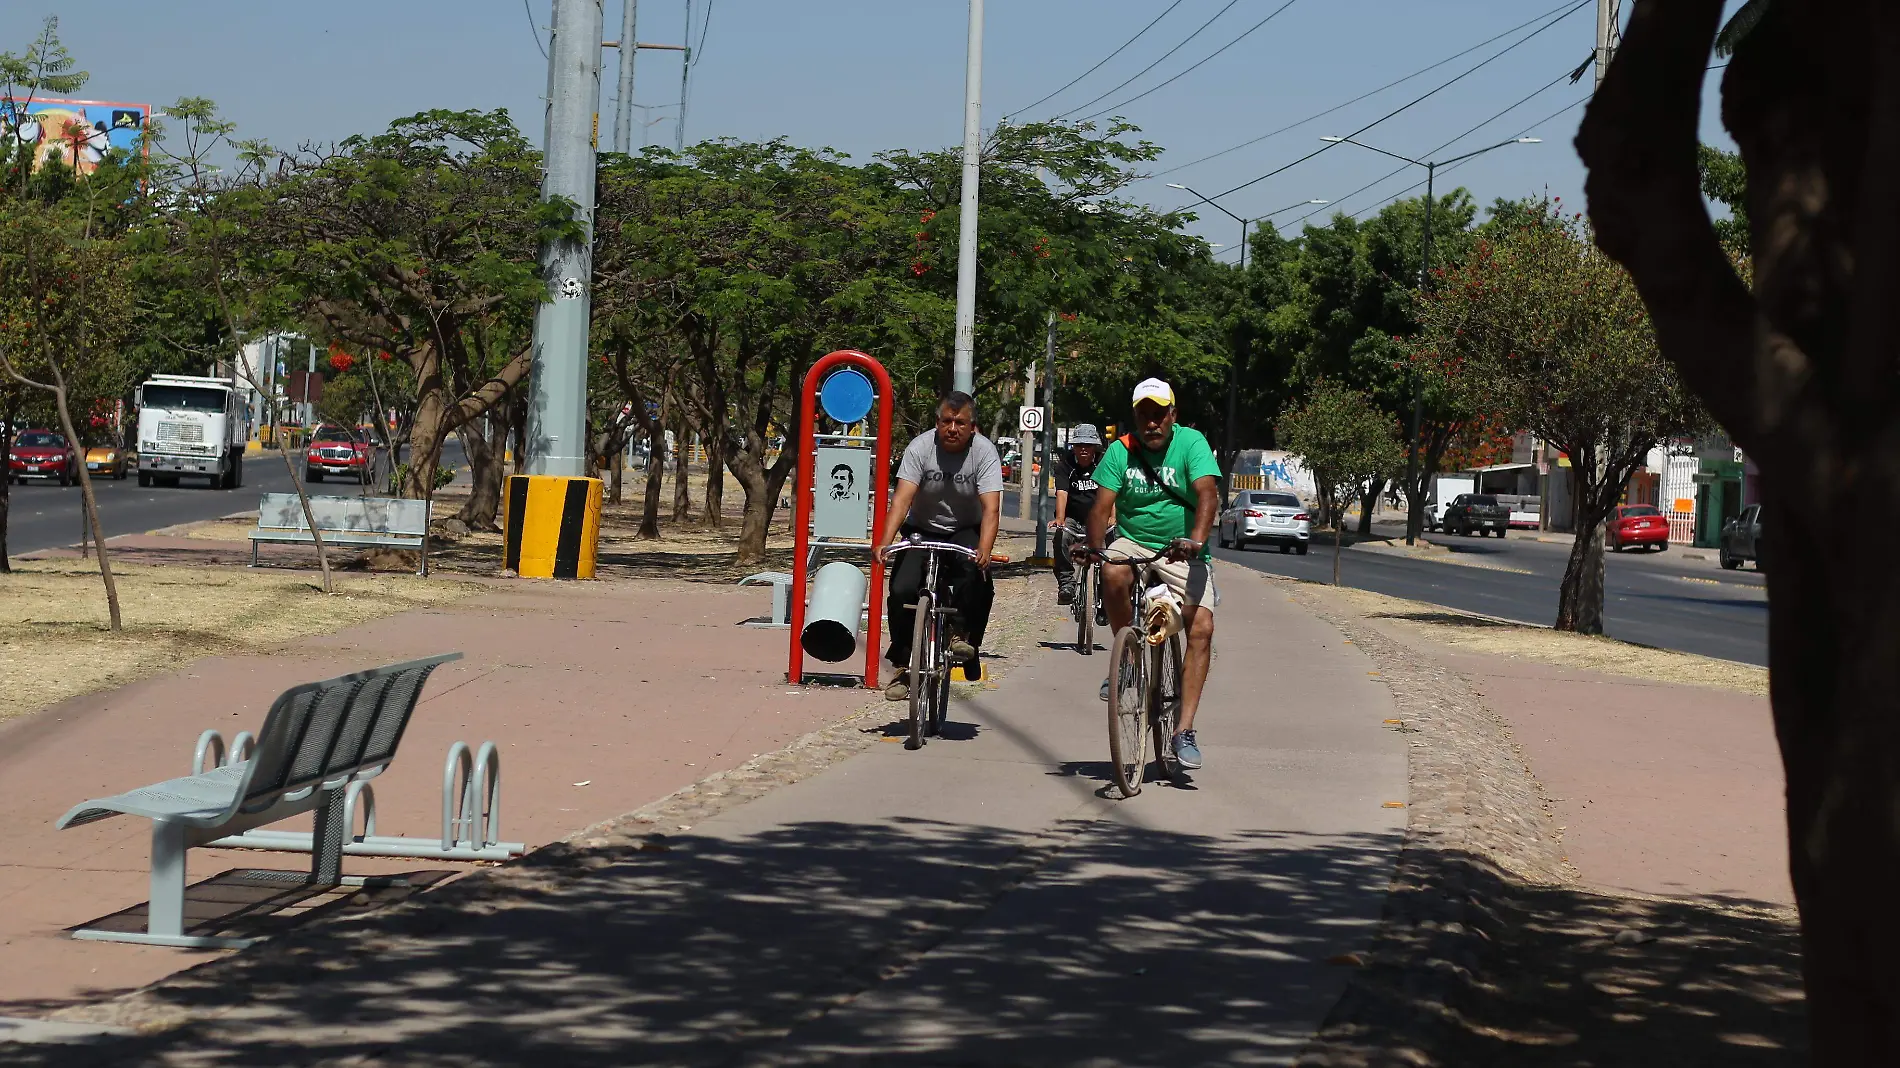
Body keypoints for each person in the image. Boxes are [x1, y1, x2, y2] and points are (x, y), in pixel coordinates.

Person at [1078, 378, 1221, 769]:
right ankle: (1128, 659)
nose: (1152, 423)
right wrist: (1094, 547)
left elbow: (1208, 494)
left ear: (1173, 415)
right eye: (1145, 415)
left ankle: (1184, 730)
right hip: (1135, 542)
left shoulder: (1191, 443)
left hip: (1183, 547)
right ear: (1135, 417)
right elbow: (1100, 506)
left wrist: (1195, 540)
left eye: (1159, 415)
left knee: (1202, 628)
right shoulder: (1120, 451)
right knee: (1111, 570)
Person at [877, 391, 1004, 702]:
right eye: (946, 421)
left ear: (972, 426)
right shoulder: (920, 448)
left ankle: (965, 640)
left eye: (960, 422)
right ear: (937, 422)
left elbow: (991, 509)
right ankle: (905, 664)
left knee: (976, 577)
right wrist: (885, 542)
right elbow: (903, 499)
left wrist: (985, 549)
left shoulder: (984, 453)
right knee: (903, 588)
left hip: (964, 530)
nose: (952, 428)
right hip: (921, 529)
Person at [1049, 423, 1105, 606]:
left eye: (1088, 445)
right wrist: (1060, 519)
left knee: (1115, 543)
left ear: (1095, 447)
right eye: (1079, 445)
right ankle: (1066, 584)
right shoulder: (1065, 465)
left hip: (1098, 518)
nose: (1083, 449)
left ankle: (1105, 593)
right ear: (1073, 447)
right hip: (1073, 517)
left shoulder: (1104, 463)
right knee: (1061, 536)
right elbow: (1062, 493)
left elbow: (1111, 491)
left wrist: (1113, 518)